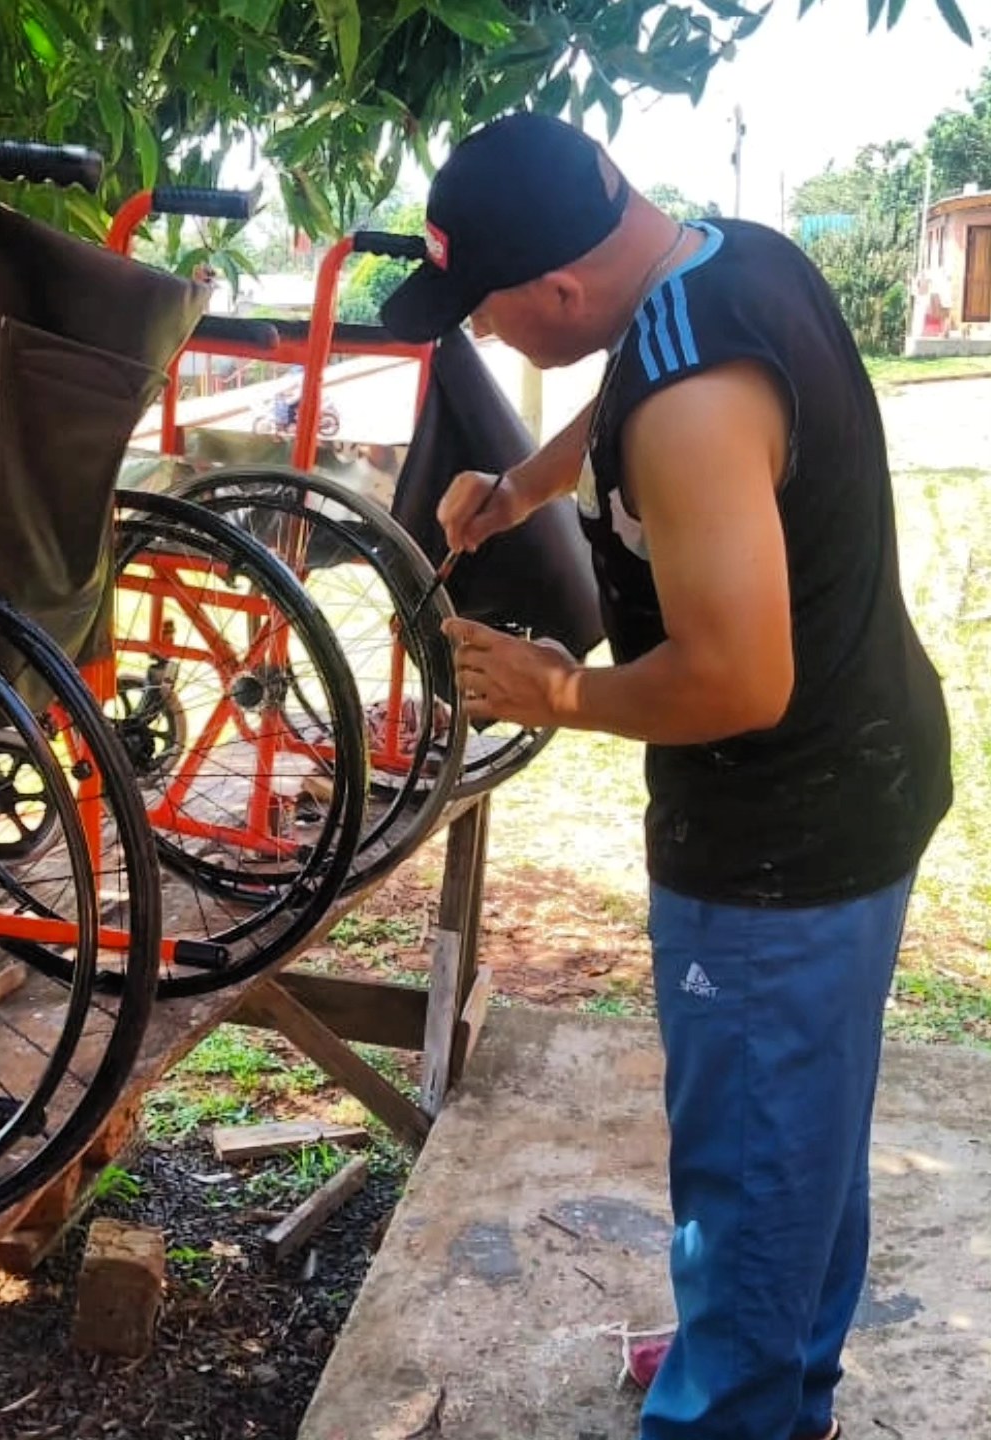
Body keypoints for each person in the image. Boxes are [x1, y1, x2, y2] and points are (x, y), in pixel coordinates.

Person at [381, 112, 952, 1440]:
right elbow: (634, 375)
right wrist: (524, 483)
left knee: (753, 1158)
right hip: (854, 787)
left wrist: (552, 690)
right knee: (798, 1133)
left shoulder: (690, 404)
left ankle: (734, 1408)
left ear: (559, 288)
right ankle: (775, 1371)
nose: (493, 339)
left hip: (777, 847)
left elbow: (739, 681)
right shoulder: (718, 265)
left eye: (492, 314)